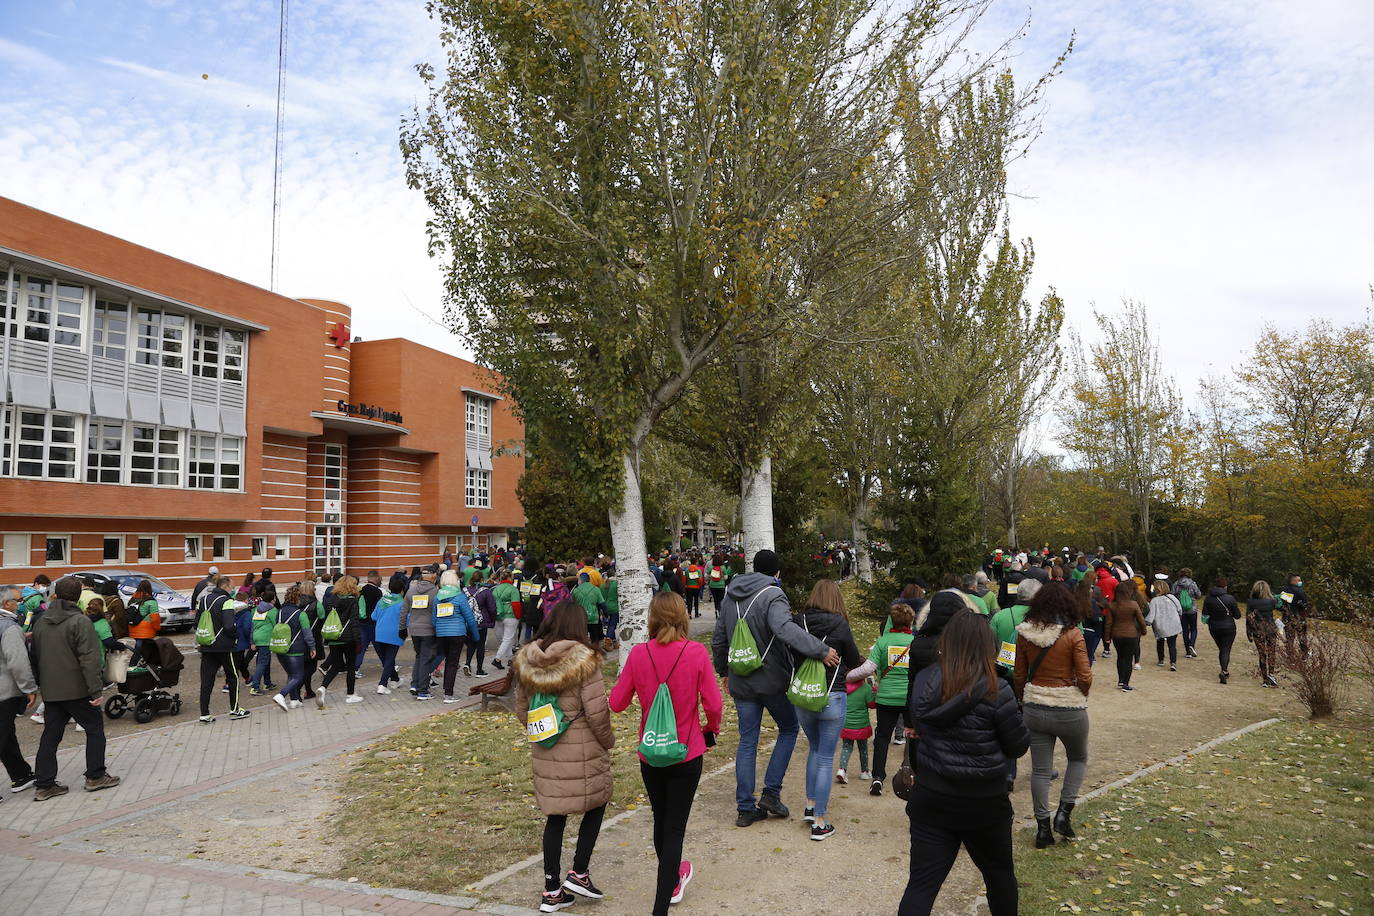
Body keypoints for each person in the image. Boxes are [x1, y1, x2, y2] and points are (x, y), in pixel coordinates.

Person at [898, 611, 1030, 916]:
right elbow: (1018, 746)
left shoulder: (924, 681)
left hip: (933, 795)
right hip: (983, 801)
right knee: (999, 878)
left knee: (921, 885)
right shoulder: (998, 689)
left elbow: (919, 724)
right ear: (988, 645)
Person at [611, 591, 722, 913]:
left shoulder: (638, 654)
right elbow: (713, 704)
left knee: (661, 819)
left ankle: (672, 878)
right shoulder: (696, 653)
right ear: (683, 617)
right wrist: (709, 729)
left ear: (652, 619)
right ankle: (663, 902)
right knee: (675, 827)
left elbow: (616, 703)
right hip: (687, 752)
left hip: (651, 753)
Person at [711, 549, 837, 826]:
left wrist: (723, 671)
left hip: (741, 679)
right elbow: (784, 629)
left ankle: (745, 809)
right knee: (789, 728)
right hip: (771, 680)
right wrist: (820, 649)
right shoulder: (773, 595)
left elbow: (719, 638)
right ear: (776, 573)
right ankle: (770, 792)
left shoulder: (731, 595)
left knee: (747, 741)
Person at [513, 600, 615, 914]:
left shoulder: (527, 660)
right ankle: (579, 872)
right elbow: (597, 712)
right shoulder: (585, 661)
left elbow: (522, 710)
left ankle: (551, 889)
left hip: (546, 747)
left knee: (555, 816)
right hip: (582, 746)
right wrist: (608, 741)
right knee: (597, 802)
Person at [1013, 584, 1091, 849]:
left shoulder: (1024, 635)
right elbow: (1085, 675)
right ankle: (1064, 814)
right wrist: (1081, 693)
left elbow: (1019, 674)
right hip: (1068, 705)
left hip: (1036, 705)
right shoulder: (1073, 634)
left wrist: (1023, 698)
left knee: (1041, 770)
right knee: (1078, 758)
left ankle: (1042, 827)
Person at [30, 577, 121, 799]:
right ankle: (96, 775)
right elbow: (89, 660)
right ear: (78, 596)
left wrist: (41, 684)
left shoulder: (41, 621)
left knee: (50, 735)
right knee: (94, 729)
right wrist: (96, 691)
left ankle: (44, 783)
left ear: (55, 595)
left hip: (52, 689)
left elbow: (34, 655)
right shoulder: (81, 622)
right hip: (78, 689)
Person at [789, 579, 862, 839]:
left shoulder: (798, 623)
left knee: (815, 749)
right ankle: (820, 822)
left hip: (805, 697)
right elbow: (852, 660)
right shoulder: (840, 624)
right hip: (832, 696)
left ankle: (810, 805)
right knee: (824, 757)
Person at [196, 574, 250, 723]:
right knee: (233, 677)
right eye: (231, 586)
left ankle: (205, 714)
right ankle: (235, 709)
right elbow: (228, 625)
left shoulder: (204, 600)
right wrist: (236, 635)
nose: (233, 589)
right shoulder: (227, 601)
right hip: (225, 647)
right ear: (225, 586)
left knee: (206, 680)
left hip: (207, 645)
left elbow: (197, 623)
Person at [0, 585, 37, 793]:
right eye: (17, 601)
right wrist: (29, 688)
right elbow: (17, 662)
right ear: (7, 604)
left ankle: (20, 775)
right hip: (4, 691)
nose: (21, 604)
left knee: (7, 734)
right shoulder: (9, 627)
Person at [316, 575, 363, 706]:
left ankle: (323, 687)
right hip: (348, 638)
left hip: (333, 635)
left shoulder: (331, 599)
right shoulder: (353, 600)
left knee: (335, 666)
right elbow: (354, 621)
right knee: (350, 667)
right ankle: (350, 694)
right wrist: (358, 640)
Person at [433, 570, 479, 703]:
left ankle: (444, 688)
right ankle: (448, 694)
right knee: (452, 663)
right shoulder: (459, 597)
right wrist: (475, 636)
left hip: (441, 634)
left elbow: (434, 618)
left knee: (445, 660)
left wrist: (437, 632)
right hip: (457, 633)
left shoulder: (438, 597)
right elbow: (469, 618)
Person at [271, 584, 316, 711]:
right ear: (298, 598)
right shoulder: (301, 614)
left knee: (291, 675)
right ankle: (281, 695)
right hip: (295, 650)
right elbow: (307, 633)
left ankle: (294, 700)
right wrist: (312, 647)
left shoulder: (278, 612)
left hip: (281, 648)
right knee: (298, 676)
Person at [403, 565, 440, 698]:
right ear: (434, 577)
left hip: (414, 630)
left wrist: (402, 628)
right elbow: (438, 613)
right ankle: (422, 691)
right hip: (429, 630)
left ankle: (415, 684)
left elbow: (403, 611)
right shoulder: (435, 592)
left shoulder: (411, 590)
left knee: (419, 657)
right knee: (425, 659)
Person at [1104, 580, 1147, 691]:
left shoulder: (1112, 605)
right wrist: (1143, 630)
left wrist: (1107, 637)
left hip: (1117, 635)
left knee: (1120, 657)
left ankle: (1121, 680)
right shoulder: (1133, 604)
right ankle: (1126, 684)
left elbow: (1108, 623)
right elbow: (1141, 619)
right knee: (1128, 659)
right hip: (1131, 634)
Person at [1202, 577, 1242, 684]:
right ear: (1225, 587)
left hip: (1214, 627)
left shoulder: (1208, 598)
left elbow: (1204, 615)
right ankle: (1224, 670)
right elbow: (1238, 615)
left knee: (1222, 648)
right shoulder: (1230, 598)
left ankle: (1224, 669)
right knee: (1225, 649)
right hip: (1228, 626)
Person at [838, 673, 875, 787]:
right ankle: (864, 771)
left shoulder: (842, 687)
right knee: (863, 748)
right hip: (861, 724)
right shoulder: (866, 688)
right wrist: (874, 691)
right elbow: (872, 705)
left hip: (846, 723)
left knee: (846, 747)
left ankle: (842, 770)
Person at [371, 584, 405, 694]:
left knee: (387, 660)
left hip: (380, 632)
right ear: (402, 591)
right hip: (394, 633)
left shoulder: (382, 600)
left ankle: (395, 680)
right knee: (390, 659)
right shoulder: (402, 603)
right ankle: (382, 684)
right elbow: (406, 619)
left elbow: (373, 616)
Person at [1246, 581, 1281, 688]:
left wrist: (1249, 633)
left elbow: (1248, 618)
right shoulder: (1272, 601)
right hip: (1270, 629)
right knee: (1271, 652)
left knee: (1262, 654)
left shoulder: (1251, 602)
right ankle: (1271, 674)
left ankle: (1265, 679)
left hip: (1258, 630)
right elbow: (1280, 604)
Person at [248, 582, 280, 694]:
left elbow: (252, 626)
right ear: (272, 600)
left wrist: (252, 641)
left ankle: (267, 683)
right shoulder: (273, 611)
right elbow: (277, 626)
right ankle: (255, 687)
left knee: (265, 661)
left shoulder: (256, 610)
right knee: (262, 662)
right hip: (266, 638)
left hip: (257, 637)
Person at [1146, 580, 1183, 671]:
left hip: (1160, 626)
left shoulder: (1154, 601)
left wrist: (1147, 622)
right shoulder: (1172, 598)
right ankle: (1173, 662)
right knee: (1172, 645)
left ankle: (1161, 659)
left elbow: (1151, 615)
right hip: (1174, 624)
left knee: (1160, 642)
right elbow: (1179, 609)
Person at [491, 572, 524, 670]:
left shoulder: (495, 589)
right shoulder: (513, 589)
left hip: (499, 616)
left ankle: (510, 658)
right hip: (511, 616)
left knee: (503, 639)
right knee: (508, 639)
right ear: (510, 578)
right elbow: (516, 605)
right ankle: (497, 659)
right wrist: (519, 616)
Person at [356, 570, 384, 677]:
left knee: (361, 647)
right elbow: (379, 608)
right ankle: (388, 664)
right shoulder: (377, 592)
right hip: (373, 622)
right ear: (376, 578)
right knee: (379, 646)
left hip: (361, 621)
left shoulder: (361, 590)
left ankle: (355, 668)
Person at [1172, 568, 1203, 659]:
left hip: (1181, 610)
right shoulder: (1193, 584)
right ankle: (1191, 645)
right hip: (1192, 610)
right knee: (1193, 629)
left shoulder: (1176, 584)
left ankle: (1188, 652)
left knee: (1185, 630)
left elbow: (1172, 595)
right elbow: (1198, 595)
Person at [126, 579, 161, 658]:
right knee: (141, 647)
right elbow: (155, 618)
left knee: (140, 645)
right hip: (145, 629)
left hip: (133, 627)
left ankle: (138, 663)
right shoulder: (151, 601)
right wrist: (157, 628)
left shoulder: (132, 599)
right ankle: (134, 664)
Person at [569, 573, 606, 648]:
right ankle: (595, 652)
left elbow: (571, 604)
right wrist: (606, 614)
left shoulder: (575, 591)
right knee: (594, 638)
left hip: (581, 617)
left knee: (582, 638)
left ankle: (584, 653)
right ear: (589, 580)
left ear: (580, 580)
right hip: (593, 617)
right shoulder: (596, 589)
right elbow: (602, 604)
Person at [1279, 573, 1311, 657]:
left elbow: (1282, 604)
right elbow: (1305, 605)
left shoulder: (1284, 591)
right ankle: (1304, 655)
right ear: (1293, 581)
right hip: (1299, 617)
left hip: (1287, 617)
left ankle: (1290, 655)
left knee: (1289, 638)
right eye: (1299, 580)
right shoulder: (1300, 591)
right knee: (1302, 638)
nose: (1300, 582)